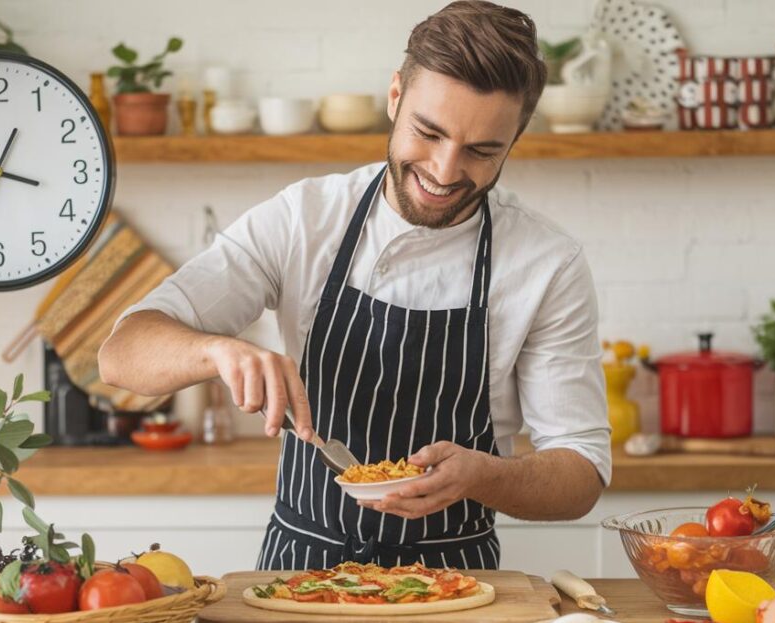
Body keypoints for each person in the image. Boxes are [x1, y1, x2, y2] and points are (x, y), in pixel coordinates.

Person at [99, 0, 610, 571]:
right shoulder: (305, 218)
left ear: (514, 138)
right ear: (395, 97)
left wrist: (485, 475)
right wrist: (214, 350)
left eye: (481, 151)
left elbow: (581, 472)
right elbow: (122, 355)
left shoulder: (547, 263)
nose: (444, 171)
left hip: (458, 582)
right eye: (428, 132)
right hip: (299, 574)